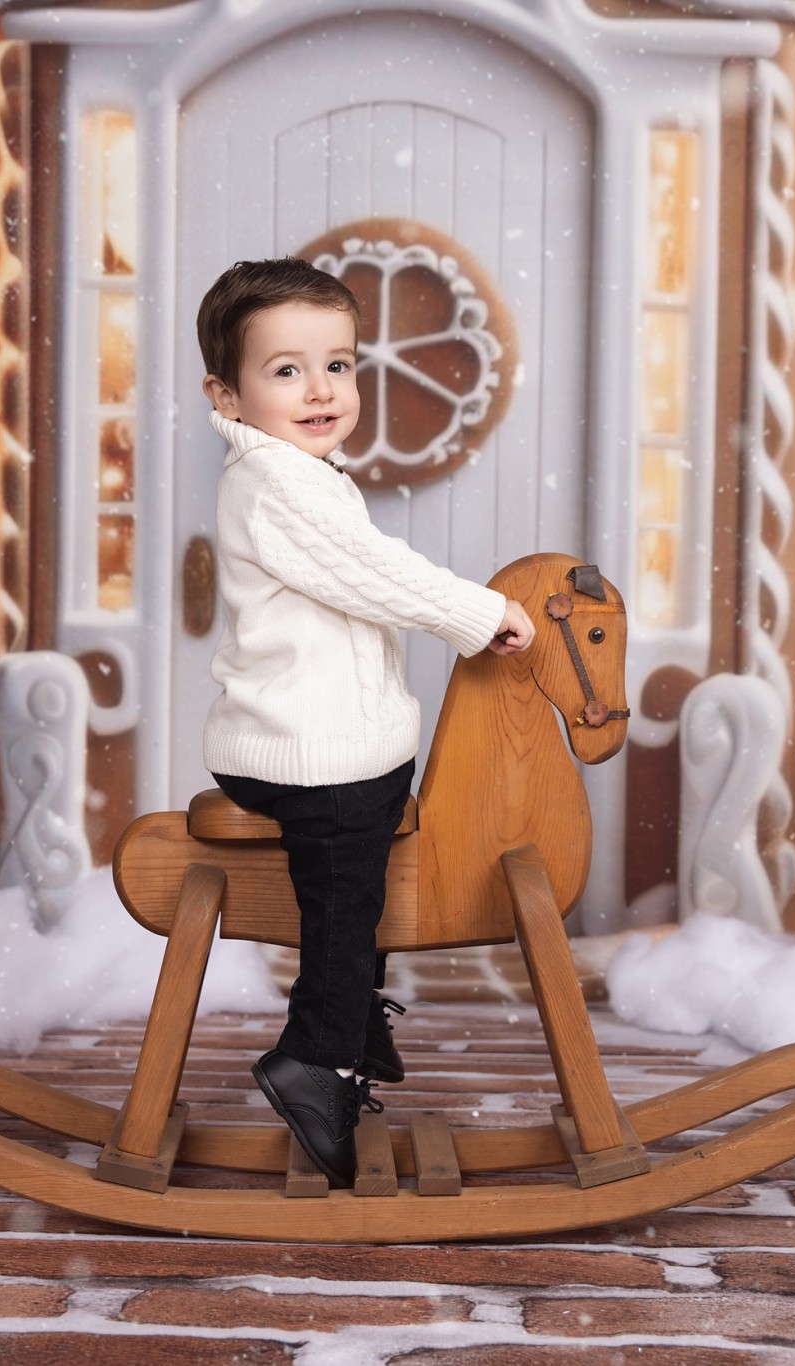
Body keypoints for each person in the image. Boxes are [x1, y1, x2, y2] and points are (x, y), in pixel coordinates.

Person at [196, 258, 536, 1187]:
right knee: (343, 905)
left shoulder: (301, 473)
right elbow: (377, 573)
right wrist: (484, 612)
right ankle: (315, 1055)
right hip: (299, 749)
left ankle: (352, 1016)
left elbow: (363, 567)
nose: (321, 390)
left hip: (331, 741)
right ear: (226, 392)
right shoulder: (276, 485)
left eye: (338, 366)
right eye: (287, 371)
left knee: (371, 863)